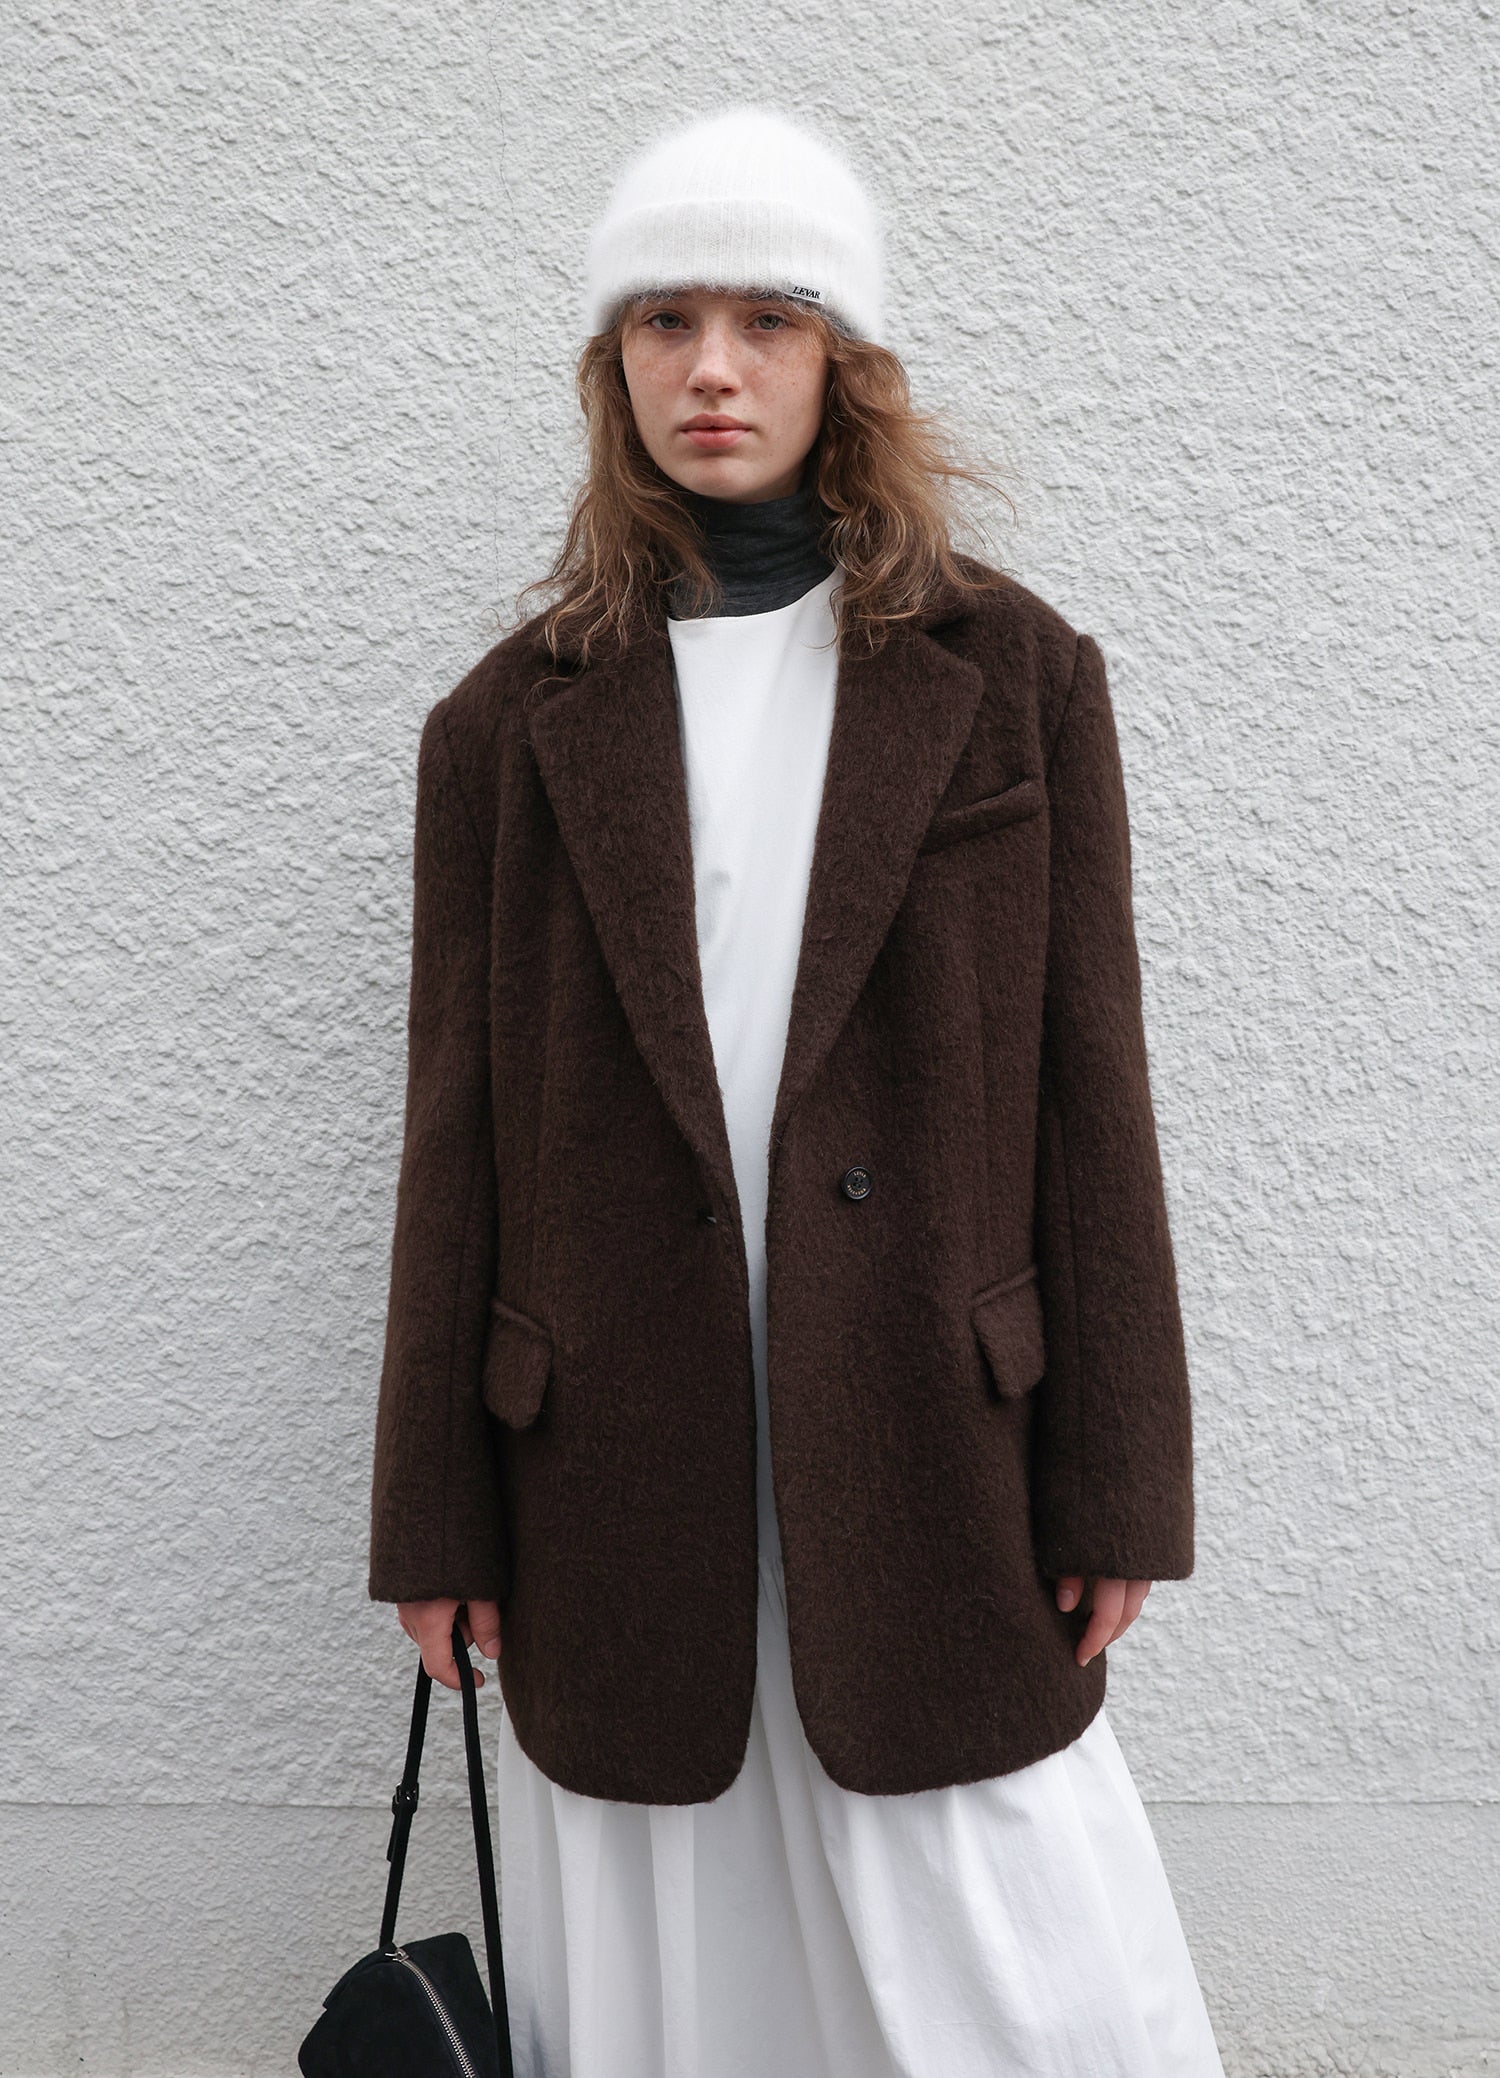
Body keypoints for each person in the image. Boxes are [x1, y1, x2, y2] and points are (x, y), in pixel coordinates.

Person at [368, 103, 1227, 2077]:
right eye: (663, 321)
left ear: (846, 360)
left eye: (767, 318)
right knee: (681, 1955)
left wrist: (1119, 1475)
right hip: (615, 1455)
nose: (714, 368)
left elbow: (1092, 1098)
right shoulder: (506, 727)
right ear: (614, 368)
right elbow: (455, 1140)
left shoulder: (1011, 676)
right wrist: (434, 1514)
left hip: (933, 1424)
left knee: (1013, 1953)